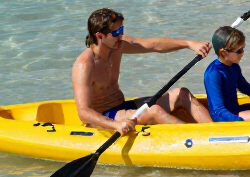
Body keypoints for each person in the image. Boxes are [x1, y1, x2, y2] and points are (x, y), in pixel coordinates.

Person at [72, 8, 213, 134]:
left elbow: (154, 45)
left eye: (122, 30)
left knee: (182, 94)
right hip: (106, 115)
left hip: (123, 106)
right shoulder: (84, 66)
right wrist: (116, 125)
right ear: (100, 36)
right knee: (155, 111)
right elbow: (84, 113)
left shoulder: (117, 46)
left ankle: (215, 132)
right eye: (116, 32)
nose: (121, 36)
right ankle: (195, 139)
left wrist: (189, 43)